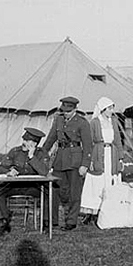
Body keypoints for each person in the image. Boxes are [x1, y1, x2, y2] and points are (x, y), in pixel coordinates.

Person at [41, 96, 92, 231]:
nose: (66, 113)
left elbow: (88, 146)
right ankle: (51, 220)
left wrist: (85, 164)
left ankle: (71, 221)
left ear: (75, 109)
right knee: (54, 189)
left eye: (69, 111)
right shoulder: (58, 120)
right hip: (59, 159)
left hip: (75, 160)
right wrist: (42, 154)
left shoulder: (82, 122)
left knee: (74, 192)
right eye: (64, 111)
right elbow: (51, 138)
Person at [0, 127, 56, 235]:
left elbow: (44, 171)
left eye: (27, 141)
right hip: (15, 186)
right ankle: (3, 221)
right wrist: (10, 170)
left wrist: (32, 157)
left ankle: (46, 223)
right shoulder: (15, 151)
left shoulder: (41, 153)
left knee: (48, 193)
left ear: (35, 144)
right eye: (24, 140)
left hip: (34, 187)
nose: (23, 143)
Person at [79, 97, 124, 226]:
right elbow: (90, 142)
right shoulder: (94, 122)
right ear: (103, 109)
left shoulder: (113, 122)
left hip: (112, 155)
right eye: (109, 108)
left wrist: (120, 158)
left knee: (111, 181)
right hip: (98, 155)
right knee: (96, 183)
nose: (111, 111)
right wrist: (90, 160)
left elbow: (118, 141)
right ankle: (92, 212)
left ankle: (109, 210)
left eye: (112, 108)